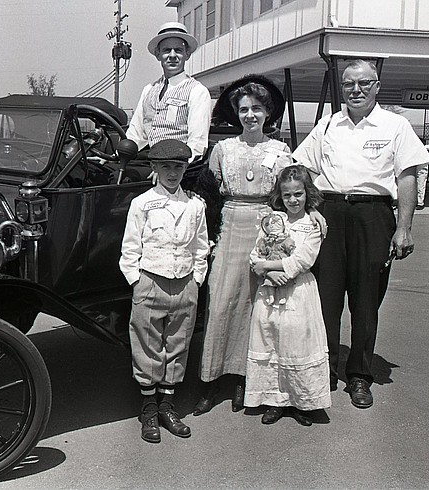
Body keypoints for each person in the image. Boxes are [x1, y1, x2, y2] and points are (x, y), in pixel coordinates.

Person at [292, 59, 429, 409]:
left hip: (374, 214)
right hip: (330, 214)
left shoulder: (395, 125)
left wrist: (404, 227)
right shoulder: (327, 125)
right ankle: (323, 368)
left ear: (377, 86)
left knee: (367, 301)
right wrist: (306, 210)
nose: (356, 90)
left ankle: (359, 375)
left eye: (364, 83)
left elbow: (407, 176)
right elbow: (301, 167)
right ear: (343, 88)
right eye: (349, 84)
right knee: (325, 298)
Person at [193, 75, 294, 416]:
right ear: (237, 114)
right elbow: (206, 199)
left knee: (256, 307)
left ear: (268, 113)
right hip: (229, 226)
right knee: (221, 303)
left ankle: (244, 379)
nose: (250, 115)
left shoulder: (281, 152)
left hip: (265, 230)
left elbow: (290, 200)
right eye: (244, 109)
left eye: (257, 109)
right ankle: (209, 381)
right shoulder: (222, 150)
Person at [119, 139, 210, 444]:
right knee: (147, 346)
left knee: (177, 344)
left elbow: (200, 246)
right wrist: (137, 281)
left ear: (186, 169)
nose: (173, 173)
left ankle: (167, 408)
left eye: (178, 167)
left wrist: (197, 279)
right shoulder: (142, 203)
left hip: (184, 283)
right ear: (155, 168)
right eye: (166, 167)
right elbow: (130, 248)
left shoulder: (195, 205)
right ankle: (148, 411)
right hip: (150, 282)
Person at [246, 165, 331, 426]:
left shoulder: (312, 225)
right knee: (271, 338)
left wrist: (267, 267)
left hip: (298, 292)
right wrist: (266, 274)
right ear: (279, 197)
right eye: (287, 196)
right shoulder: (273, 221)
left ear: (307, 194)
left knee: (296, 341)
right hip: (270, 290)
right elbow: (255, 254)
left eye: (298, 194)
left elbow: (303, 259)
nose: (293, 200)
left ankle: (300, 402)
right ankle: (274, 400)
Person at [126, 22, 211, 162]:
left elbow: (197, 143)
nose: (172, 55)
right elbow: (135, 134)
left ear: (187, 54)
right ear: (158, 54)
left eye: (178, 50)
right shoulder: (148, 90)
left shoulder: (197, 91)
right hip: (145, 159)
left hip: (175, 166)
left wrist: (171, 169)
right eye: (166, 50)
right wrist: (118, 156)